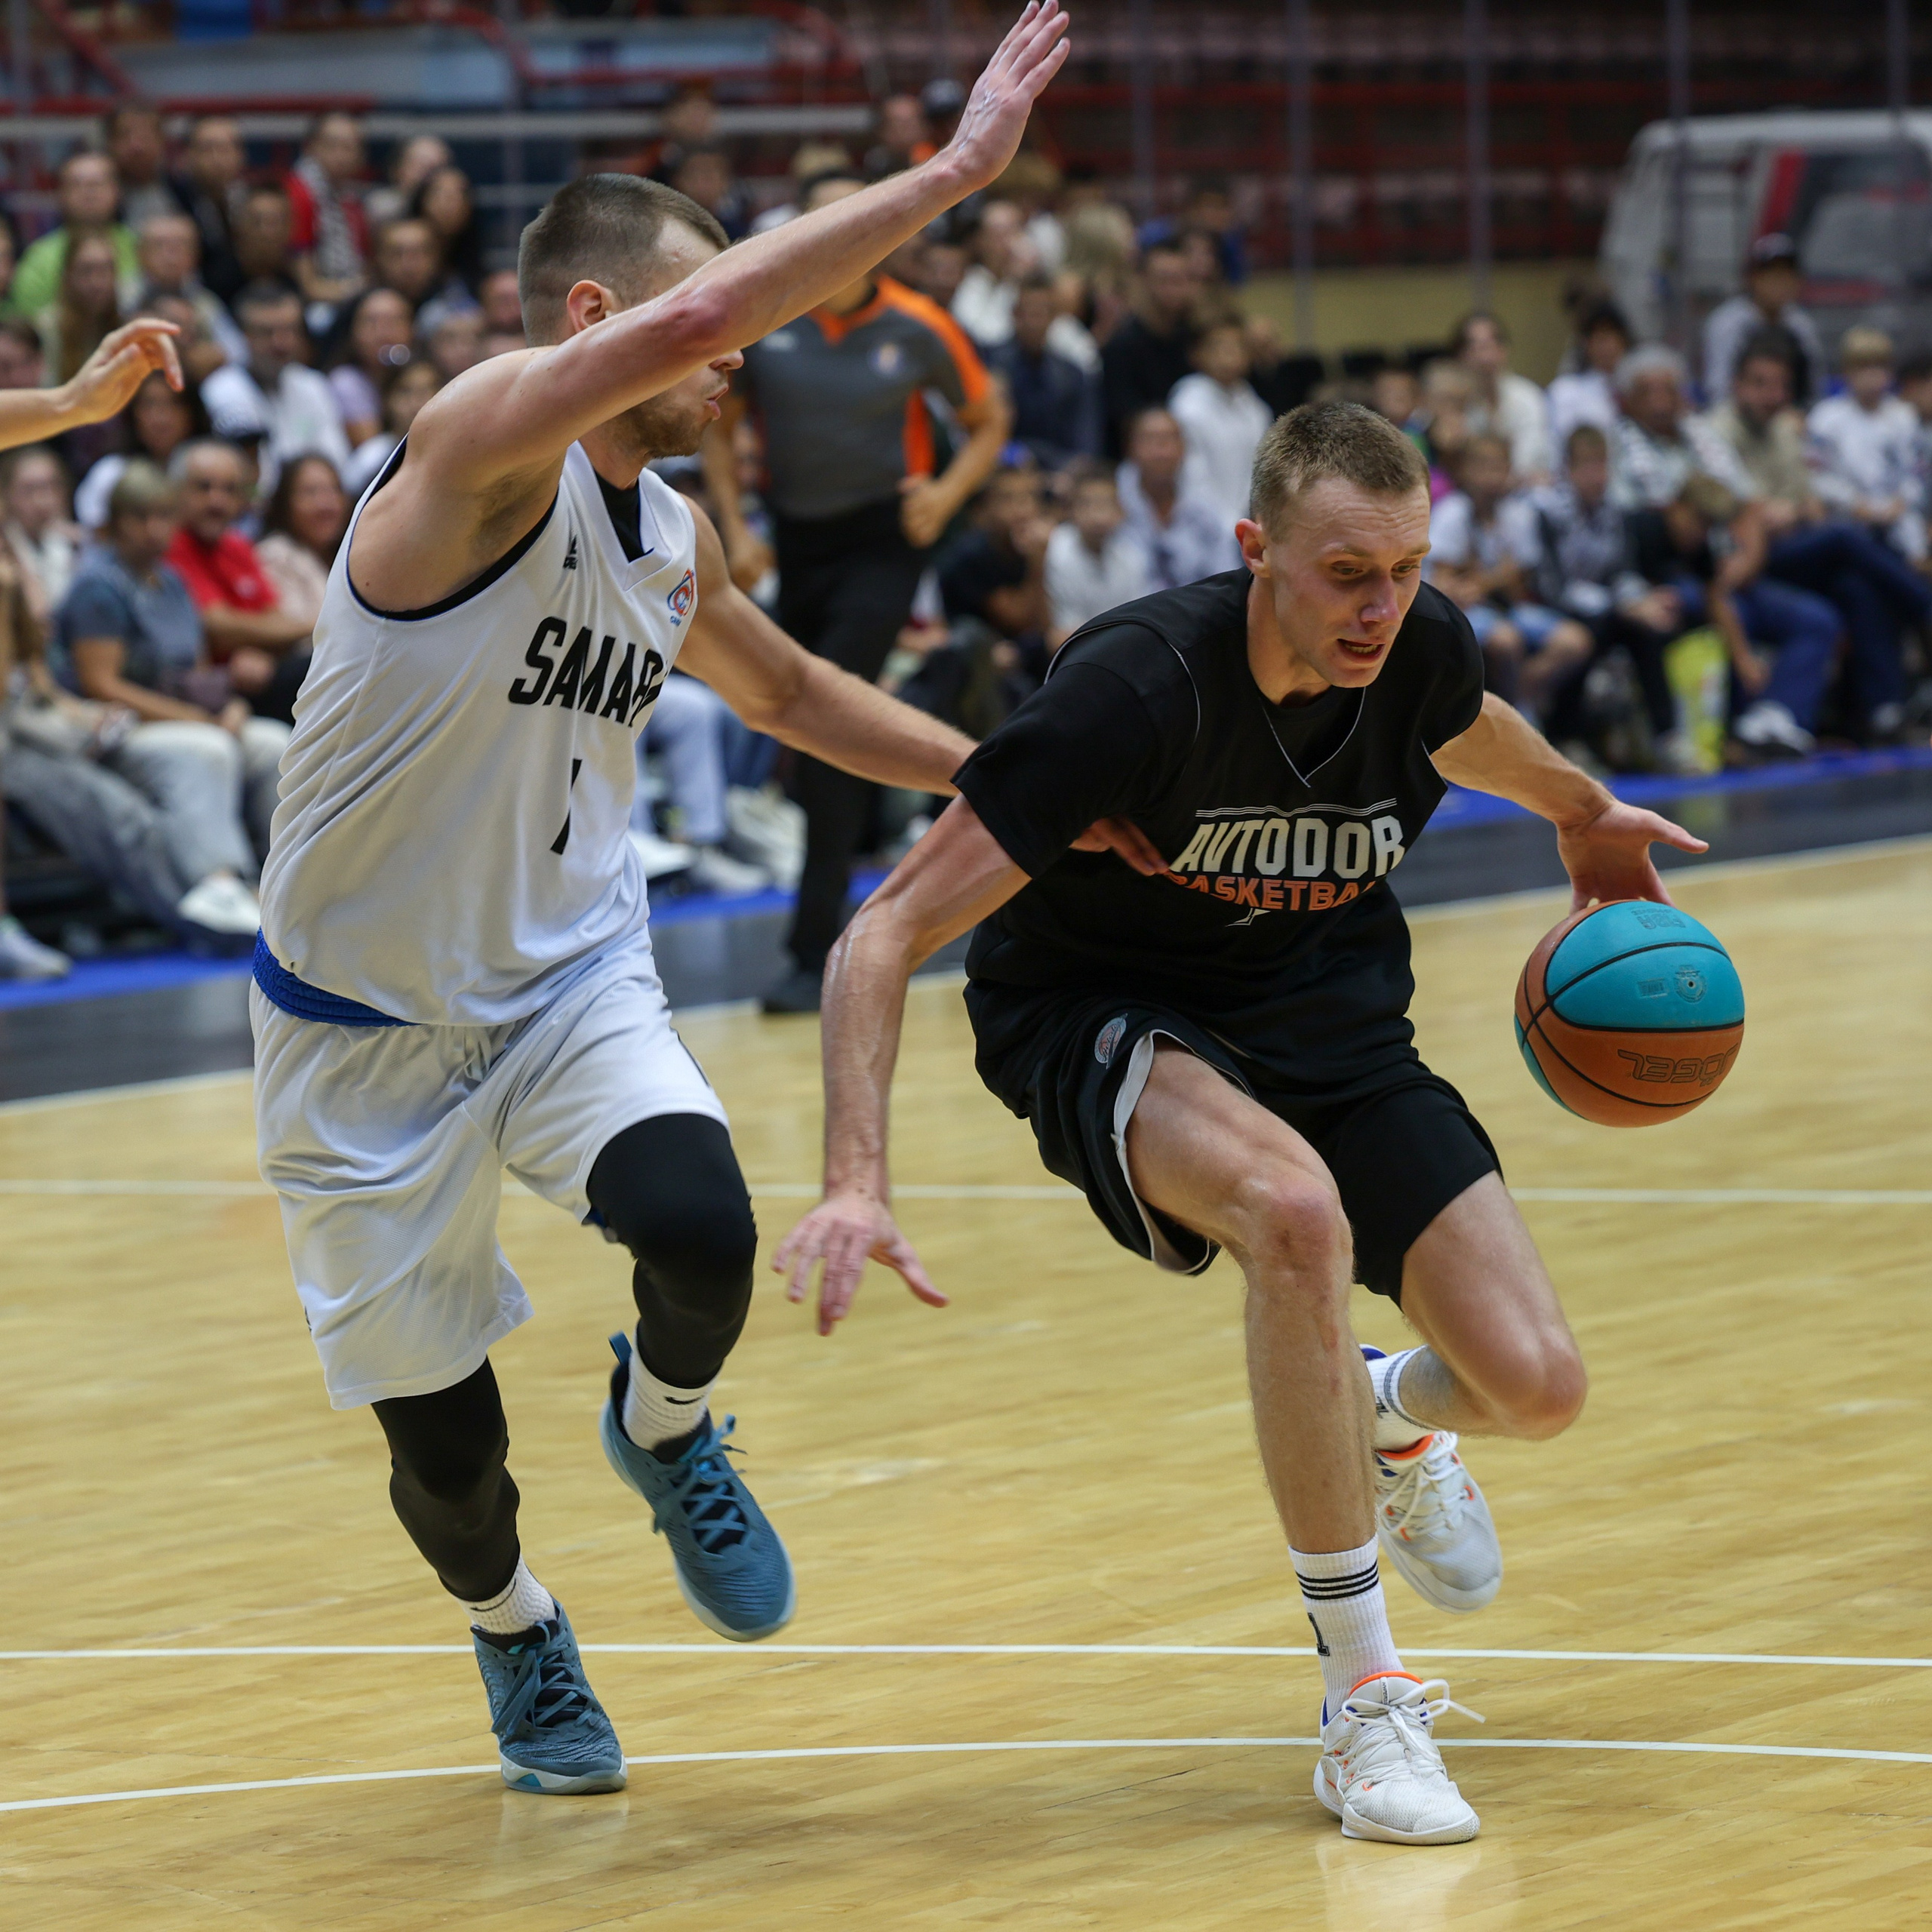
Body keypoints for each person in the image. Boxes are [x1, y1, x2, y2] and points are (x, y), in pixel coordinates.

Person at [246, 4, 1082, 1801]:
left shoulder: (667, 534)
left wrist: (1013, 779)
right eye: (708, 316)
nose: (736, 357)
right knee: (451, 1461)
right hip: (358, 1029)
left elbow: (790, 693)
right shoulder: (473, 452)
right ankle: (516, 1625)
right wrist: (948, 174)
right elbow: (704, 321)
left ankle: (668, 1421)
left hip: (564, 982)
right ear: (592, 319)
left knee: (700, 1228)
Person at [776, 398, 1704, 1847]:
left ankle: (1382, 1412)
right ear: (1255, 549)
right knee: (1293, 1213)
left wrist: (1581, 807)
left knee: (1537, 1387)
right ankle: (1364, 1701)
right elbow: (882, 932)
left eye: (1407, 570)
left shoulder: (1418, 647)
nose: (1381, 607)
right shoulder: (1135, 689)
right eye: (1347, 574)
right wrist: (854, 1178)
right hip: (1100, 1002)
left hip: (1323, 1006)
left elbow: (1465, 724)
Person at [722, 162, 1012, 1014]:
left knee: (825, 720)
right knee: (813, 733)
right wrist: (736, 529)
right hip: (796, 541)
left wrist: (946, 496)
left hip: (883, 544)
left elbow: (989, 419)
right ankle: (906, 852)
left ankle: (815, 949)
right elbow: (723, 426)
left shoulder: (918, 324)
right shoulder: (768, 316)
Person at [53, 460, 285, 937]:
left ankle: (285, 881)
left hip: (183, 716)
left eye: (163, 516)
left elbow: (196, 673)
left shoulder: (175, 582)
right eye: (140, 517)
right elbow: (101, 684)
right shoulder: (98, 586)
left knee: (271, 743)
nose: (154, 529)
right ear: (116, 523)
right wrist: (195, 719)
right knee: (209, 749)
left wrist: (228, 706)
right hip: (114, 731)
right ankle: (220, 881)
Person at [1427, 432, 1591, 722]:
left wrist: (1482, 580)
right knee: (1506, 640)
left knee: (1574, 641)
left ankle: (1523, 693)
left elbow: (1519, 585)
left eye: (1499, 467)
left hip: (1508, 607)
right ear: (1465, 470)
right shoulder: (1452, 513)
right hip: (1466, 610)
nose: (1492, 477)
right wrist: (1492, 579)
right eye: (1484, 467)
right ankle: (1516, 715)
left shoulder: (1518, 514)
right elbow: (1443, 586)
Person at [166, 437, 312, 721]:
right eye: (204, 487)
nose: (217, 501)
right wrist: (314, 626)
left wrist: (264, 651)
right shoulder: (172, 546)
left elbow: (275, 617)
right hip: (209, 690)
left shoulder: (236, 545)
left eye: (229, 490)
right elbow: (217, 627)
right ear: (176, 492)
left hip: (259, 674)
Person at [201, 281, 352, 489]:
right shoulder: (222, 389)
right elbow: (258, 480)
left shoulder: (313, 384)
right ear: (244, 335)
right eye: (267, 332)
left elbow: (338, 463)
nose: (280, 343)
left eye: (289, 330)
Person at [1806, 327, 1924, 563]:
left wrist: (1902, 501)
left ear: (1890, 373)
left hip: (1898, 519)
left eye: (1879, 367)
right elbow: (1816, 477)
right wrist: (1854, 504)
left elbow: (1917, 472)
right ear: (1846, 372)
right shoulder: (1825, 418)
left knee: (1911, 546)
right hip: (1848, 519)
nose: (1871, 376)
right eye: (1862, 368)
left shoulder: (1905, 417)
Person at [1610, 345, 1751, 511]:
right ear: (1627, 401)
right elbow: (1622, 505)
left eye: (1668, 391)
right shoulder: (1614, 444)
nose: (1660, 404)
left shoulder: (1705, 431)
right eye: (1647, 393)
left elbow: (1743, 490)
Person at [1115, 405, 1240, 589]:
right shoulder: (1111, 502)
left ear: (1184, 449)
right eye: (1150, 440)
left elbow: (1226, 578)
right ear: (1130, 448)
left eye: (1169, 440)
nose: (1161, 451)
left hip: (1198, 604)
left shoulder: (1205, 508)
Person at [1168, 312, 1274, 529]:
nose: (1228, 355)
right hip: (1199, 522)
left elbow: (1261, 471)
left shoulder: (1254, 407)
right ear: (1197, 354)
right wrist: (1226, 526)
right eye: (1218, 347)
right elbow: (1193, 477)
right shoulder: (1187, 403)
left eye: (1237, 347)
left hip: (1246, 519)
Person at [985, 271, 1100, 469]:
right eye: (1028, 312)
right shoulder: (989, 364)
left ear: (1054, 316)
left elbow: (1086, 443)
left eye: (1042, 312)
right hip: (1002, 469)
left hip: (1059, 473)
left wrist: (1067, 471)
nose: (1034, 321)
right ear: (1015, 314)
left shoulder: (1072, 375)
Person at [73, 365, 208, 530]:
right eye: (149, 404)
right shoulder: (111, 474)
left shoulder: (212, 468)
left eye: (174, 403)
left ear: (191, 412)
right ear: (133, 413)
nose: (161, 418)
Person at [8, 152, 139, 321]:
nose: (89, 193)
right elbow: (29, 325)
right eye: (77, 185)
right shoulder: (38, 258)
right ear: (60, 194)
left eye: (97, 184)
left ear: (117, 191)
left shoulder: (139, 247)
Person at [1702, 233, 1825, 408]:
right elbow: (1719, 390)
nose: (1780, 283)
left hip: (1791, 416)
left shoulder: (1802, 325)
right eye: (1772, 275)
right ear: (1753, 278)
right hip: (1740, 415)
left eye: (1787, 275)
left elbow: (1814, 387)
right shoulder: (1727, 323)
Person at [1100, 239, 1198, 455]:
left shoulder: (1195, 339)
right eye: (1164, 280)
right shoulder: (1121, 347)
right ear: (1143, 281)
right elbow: (1125, 422)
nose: (1172, 290)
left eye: (1180, 280)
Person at [1044, 461, 1149, 644]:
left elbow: (1138, 620)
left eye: (1106, 504)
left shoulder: (1132, 555)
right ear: (1071, 509)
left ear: (1120, 510)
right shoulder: (1056, 551)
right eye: (1088, 504)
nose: (1098, 515)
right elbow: (1065, 631)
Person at [136, 210, 246, 369]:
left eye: (179, 247)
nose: (171, 257)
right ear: (141, 253)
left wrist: (207, 355)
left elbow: (238, 352)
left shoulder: (205, 303)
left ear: (196, 254)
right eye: (160, 246)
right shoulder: (123, 297)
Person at [254, 451, 349, 629]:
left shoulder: (352, 554)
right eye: (311, 492)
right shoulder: (274, 555)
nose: (325, 505)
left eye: (334, 490)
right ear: (285, 503)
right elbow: (298, 634)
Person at [1454, 312, 1552, 485]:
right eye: (1474, 347)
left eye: (1489, 346)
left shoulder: (1528, 397)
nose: (1484, 357)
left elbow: (1528, 461)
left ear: (1504, 350)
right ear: (1462, 356)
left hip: (1523, 488)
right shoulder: (1457, 402)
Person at [285, 111, 369, 310]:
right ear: (310, 147)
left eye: (349, 147)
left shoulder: (350, 197)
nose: (341, 156)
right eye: (331, 145)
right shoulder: (298, 194)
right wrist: (360, 290)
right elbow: (309, 287)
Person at [171, 115, 248, 306]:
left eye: (225, 149)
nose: (217, 159)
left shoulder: (249, 200)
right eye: (207, 149)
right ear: (188, 155)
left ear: (241, 155)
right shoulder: (174, 200)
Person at [325, 285, 414, 445]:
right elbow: (373, 449)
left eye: (393, 322)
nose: (383, 334)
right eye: (372, 322)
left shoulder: (423, 374)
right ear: (353, 331)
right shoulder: (346, 381)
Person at [341, 355, 439, 498]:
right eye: (405, 391)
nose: (416, 402)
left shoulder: (456, 450)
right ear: (387, 399)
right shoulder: (370, 459)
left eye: (425, 391)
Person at [1545, 299, 1629, 463]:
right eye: (1601, 339)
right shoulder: (1565, 392)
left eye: (1614, 338)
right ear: (1587, 344)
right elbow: (1557, 448)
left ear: (1624, 341)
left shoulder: (1637, 390)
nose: (1608, 346)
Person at [4, 445, 83, 619]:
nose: (42, 500)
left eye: (52, 486)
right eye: (29, 490)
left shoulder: (77, 543)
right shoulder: (4, 548)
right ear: (6, 494)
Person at [411, 164, 487, 293]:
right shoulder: (401, 238)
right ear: (422, 200)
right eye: (440, 194)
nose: (449, 203)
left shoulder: (473, 254)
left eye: (459, 195)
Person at [106, 102, 179, 233]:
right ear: (110, 142)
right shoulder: (97, 198)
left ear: (162, 141)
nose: (137, 146)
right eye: (125, 135)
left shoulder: (184, 192)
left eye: (145, 136)